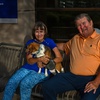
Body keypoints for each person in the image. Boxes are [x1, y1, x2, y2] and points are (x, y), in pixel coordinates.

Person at [42, 13, 100, 100]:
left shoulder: (99, 39)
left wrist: (96, 82)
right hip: (71, 77)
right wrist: (45, 44)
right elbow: (63, 46)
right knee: (47, 86)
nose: (82, 27)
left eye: (84, 23)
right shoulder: (75, 38)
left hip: (91, 78)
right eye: (79, 25)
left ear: (91, 23)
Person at [2, 21, 62, 100]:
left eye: (41, 31)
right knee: (12, 82)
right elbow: (29, 61)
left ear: (45, 32)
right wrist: (39, 59)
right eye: (37, 31)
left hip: (43, 71)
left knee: (25, 83)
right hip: (27, 68)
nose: (39, 34)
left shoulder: (49, 41)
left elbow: (59, 57)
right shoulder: (30, 43)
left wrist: (49, 62)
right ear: (34, 32)